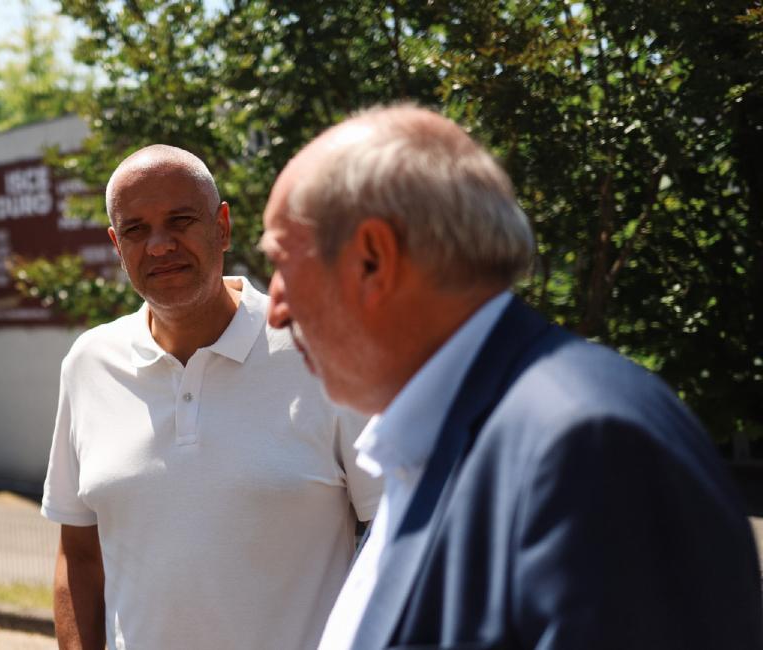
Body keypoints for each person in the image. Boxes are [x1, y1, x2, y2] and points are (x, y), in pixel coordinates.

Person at [259, 104, 763, 649]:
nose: (275, 310)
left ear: (373, 259)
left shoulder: (585, 448)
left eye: (282, 263)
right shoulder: (440, 441)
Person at [41, 144, 381, 650]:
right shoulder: (89, 364)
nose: (159, 246)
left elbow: (393, 538)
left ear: (222, 226)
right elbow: (80, 554)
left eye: (180, 221)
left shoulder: (325, 350)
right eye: (135, 230)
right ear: (116, 244)